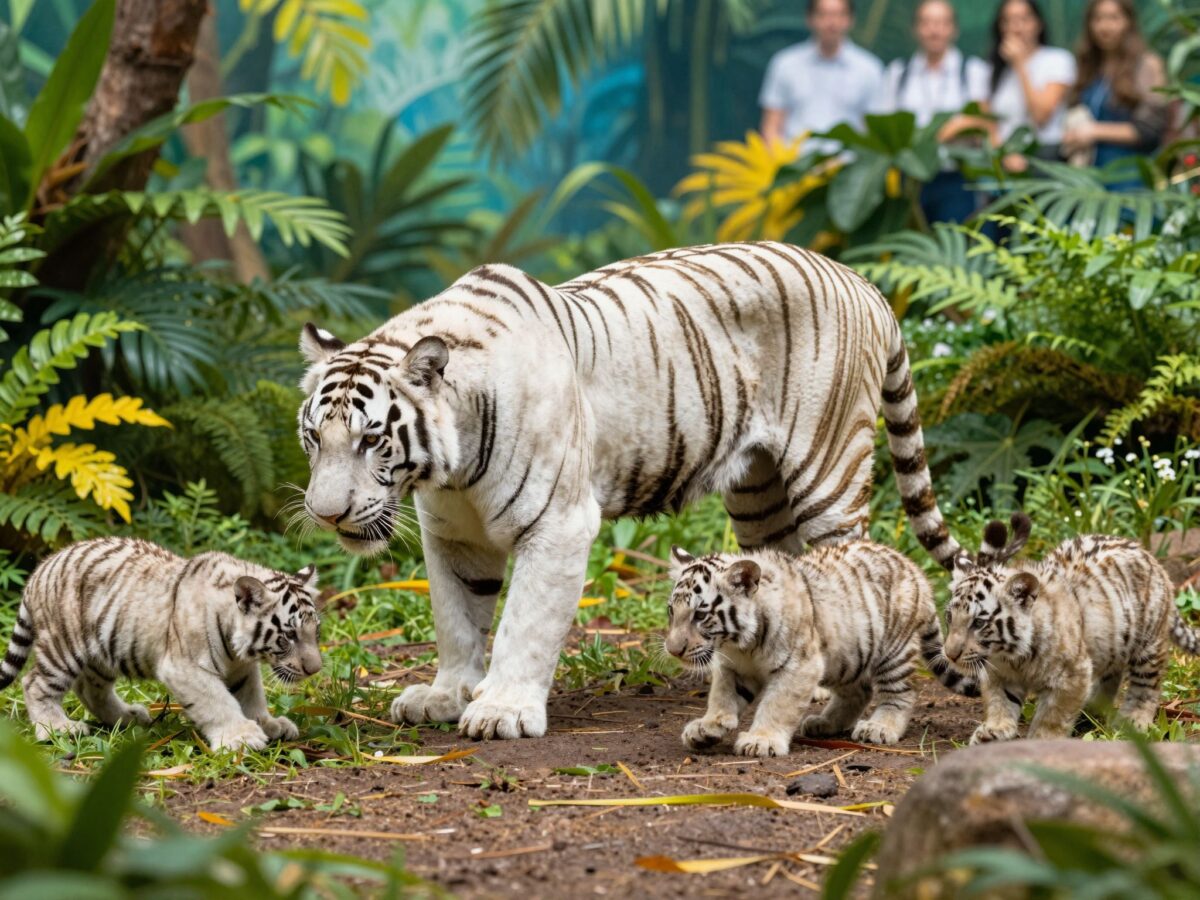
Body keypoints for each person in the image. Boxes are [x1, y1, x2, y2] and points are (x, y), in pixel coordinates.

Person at [883, 0, 990, 222]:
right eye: (927, 23)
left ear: (954, 29)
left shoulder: (972, 71)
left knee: (954, 239)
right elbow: (885, 127)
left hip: (956, 179)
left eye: (942, 23)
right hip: (910, 181)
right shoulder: (898, 73)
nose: (934, 30)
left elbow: (982, 122)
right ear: (915, 29)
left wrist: (939, 134)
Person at [1062, 0, 1167, 184]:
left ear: (1128, 21)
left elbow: (1150, 130)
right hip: (1089, 176)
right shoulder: (1089, 66)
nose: (1105, 26)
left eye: (1113, 18)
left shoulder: (1146, 64)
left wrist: (1094, 131)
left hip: (1130, 174)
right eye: (1098, 19)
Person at [759, 0, 884, 154]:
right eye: (824, 15)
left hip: (847, 163)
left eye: (839, 15)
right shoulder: (785, 64)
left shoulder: (869, 69)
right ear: (810, 19)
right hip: (795, 161)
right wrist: (781, 161)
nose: (832, 23)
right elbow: (771, 125)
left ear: (851, 20)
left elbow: (873, 129)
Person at [985, 0, 1076, 170]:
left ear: (1038, 24)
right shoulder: (995, 69)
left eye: (1024, 19)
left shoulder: (1057, 60)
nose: (1016, 27)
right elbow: (988, 122)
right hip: (1004, 160)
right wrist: (1002, 154)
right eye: (1008, 21)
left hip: (1044, 157)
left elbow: (1041, 116)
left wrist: (1020, 65)